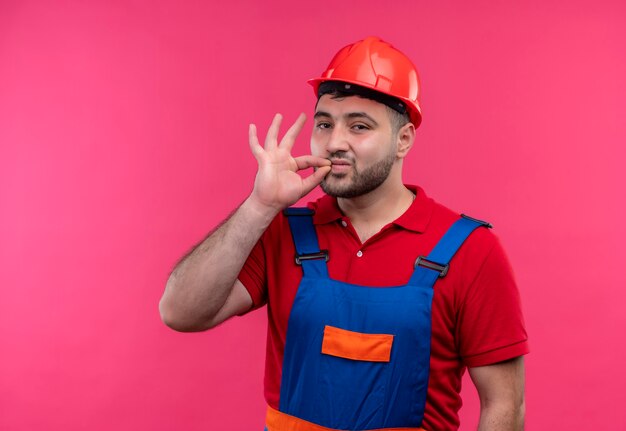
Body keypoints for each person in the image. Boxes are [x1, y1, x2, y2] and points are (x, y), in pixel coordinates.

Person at [159, 36, 529, 431]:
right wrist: (259, 205)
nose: (335, 143)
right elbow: (180, 313)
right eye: (324, 124)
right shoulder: (283, 231)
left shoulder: (469, 251)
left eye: (359, 126)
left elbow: (504, 405)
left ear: (403, 140)